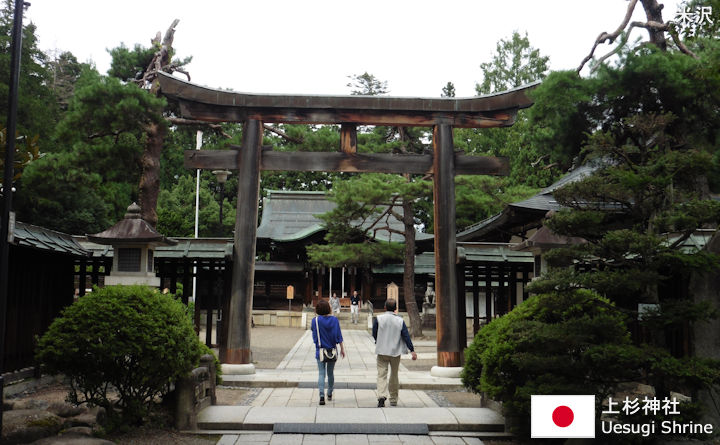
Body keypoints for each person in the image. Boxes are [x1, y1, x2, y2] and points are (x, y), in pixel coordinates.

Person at [372, 298, 417, 407]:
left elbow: (374, 332)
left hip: (382, 350)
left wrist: (378, 341)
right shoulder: (400, 320)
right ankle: (393, 399)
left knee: (381, 374)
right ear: (396, 308)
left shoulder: (379, 318)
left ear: (385, 307)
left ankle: (381, 396)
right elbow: (406, 336)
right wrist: (412, 350)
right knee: (394, 375)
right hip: (395, 351)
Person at [311, 299, 346, 405]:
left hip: (320, 350)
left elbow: (314, 336)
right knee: (330, 373)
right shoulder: (335, 320)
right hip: (332, 350)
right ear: (328, 308)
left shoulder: (315, 321)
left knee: (321, 373)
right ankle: (330, 392)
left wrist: (317, 342)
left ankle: (321, 396)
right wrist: (342, 349)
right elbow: (338, 336)